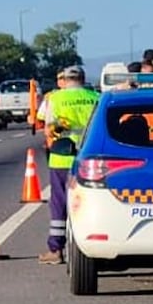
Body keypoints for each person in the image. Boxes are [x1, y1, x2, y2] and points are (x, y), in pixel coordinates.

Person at [39, 65, 101, 265]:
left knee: (60, 203)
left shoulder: (55, 98)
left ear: (64, 80)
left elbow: (47, 126)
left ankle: (56, 249)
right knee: (92, 202)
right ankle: (94, 246)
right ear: (83, 79)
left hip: (62, 157)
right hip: (90, 159)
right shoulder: (96, 97)